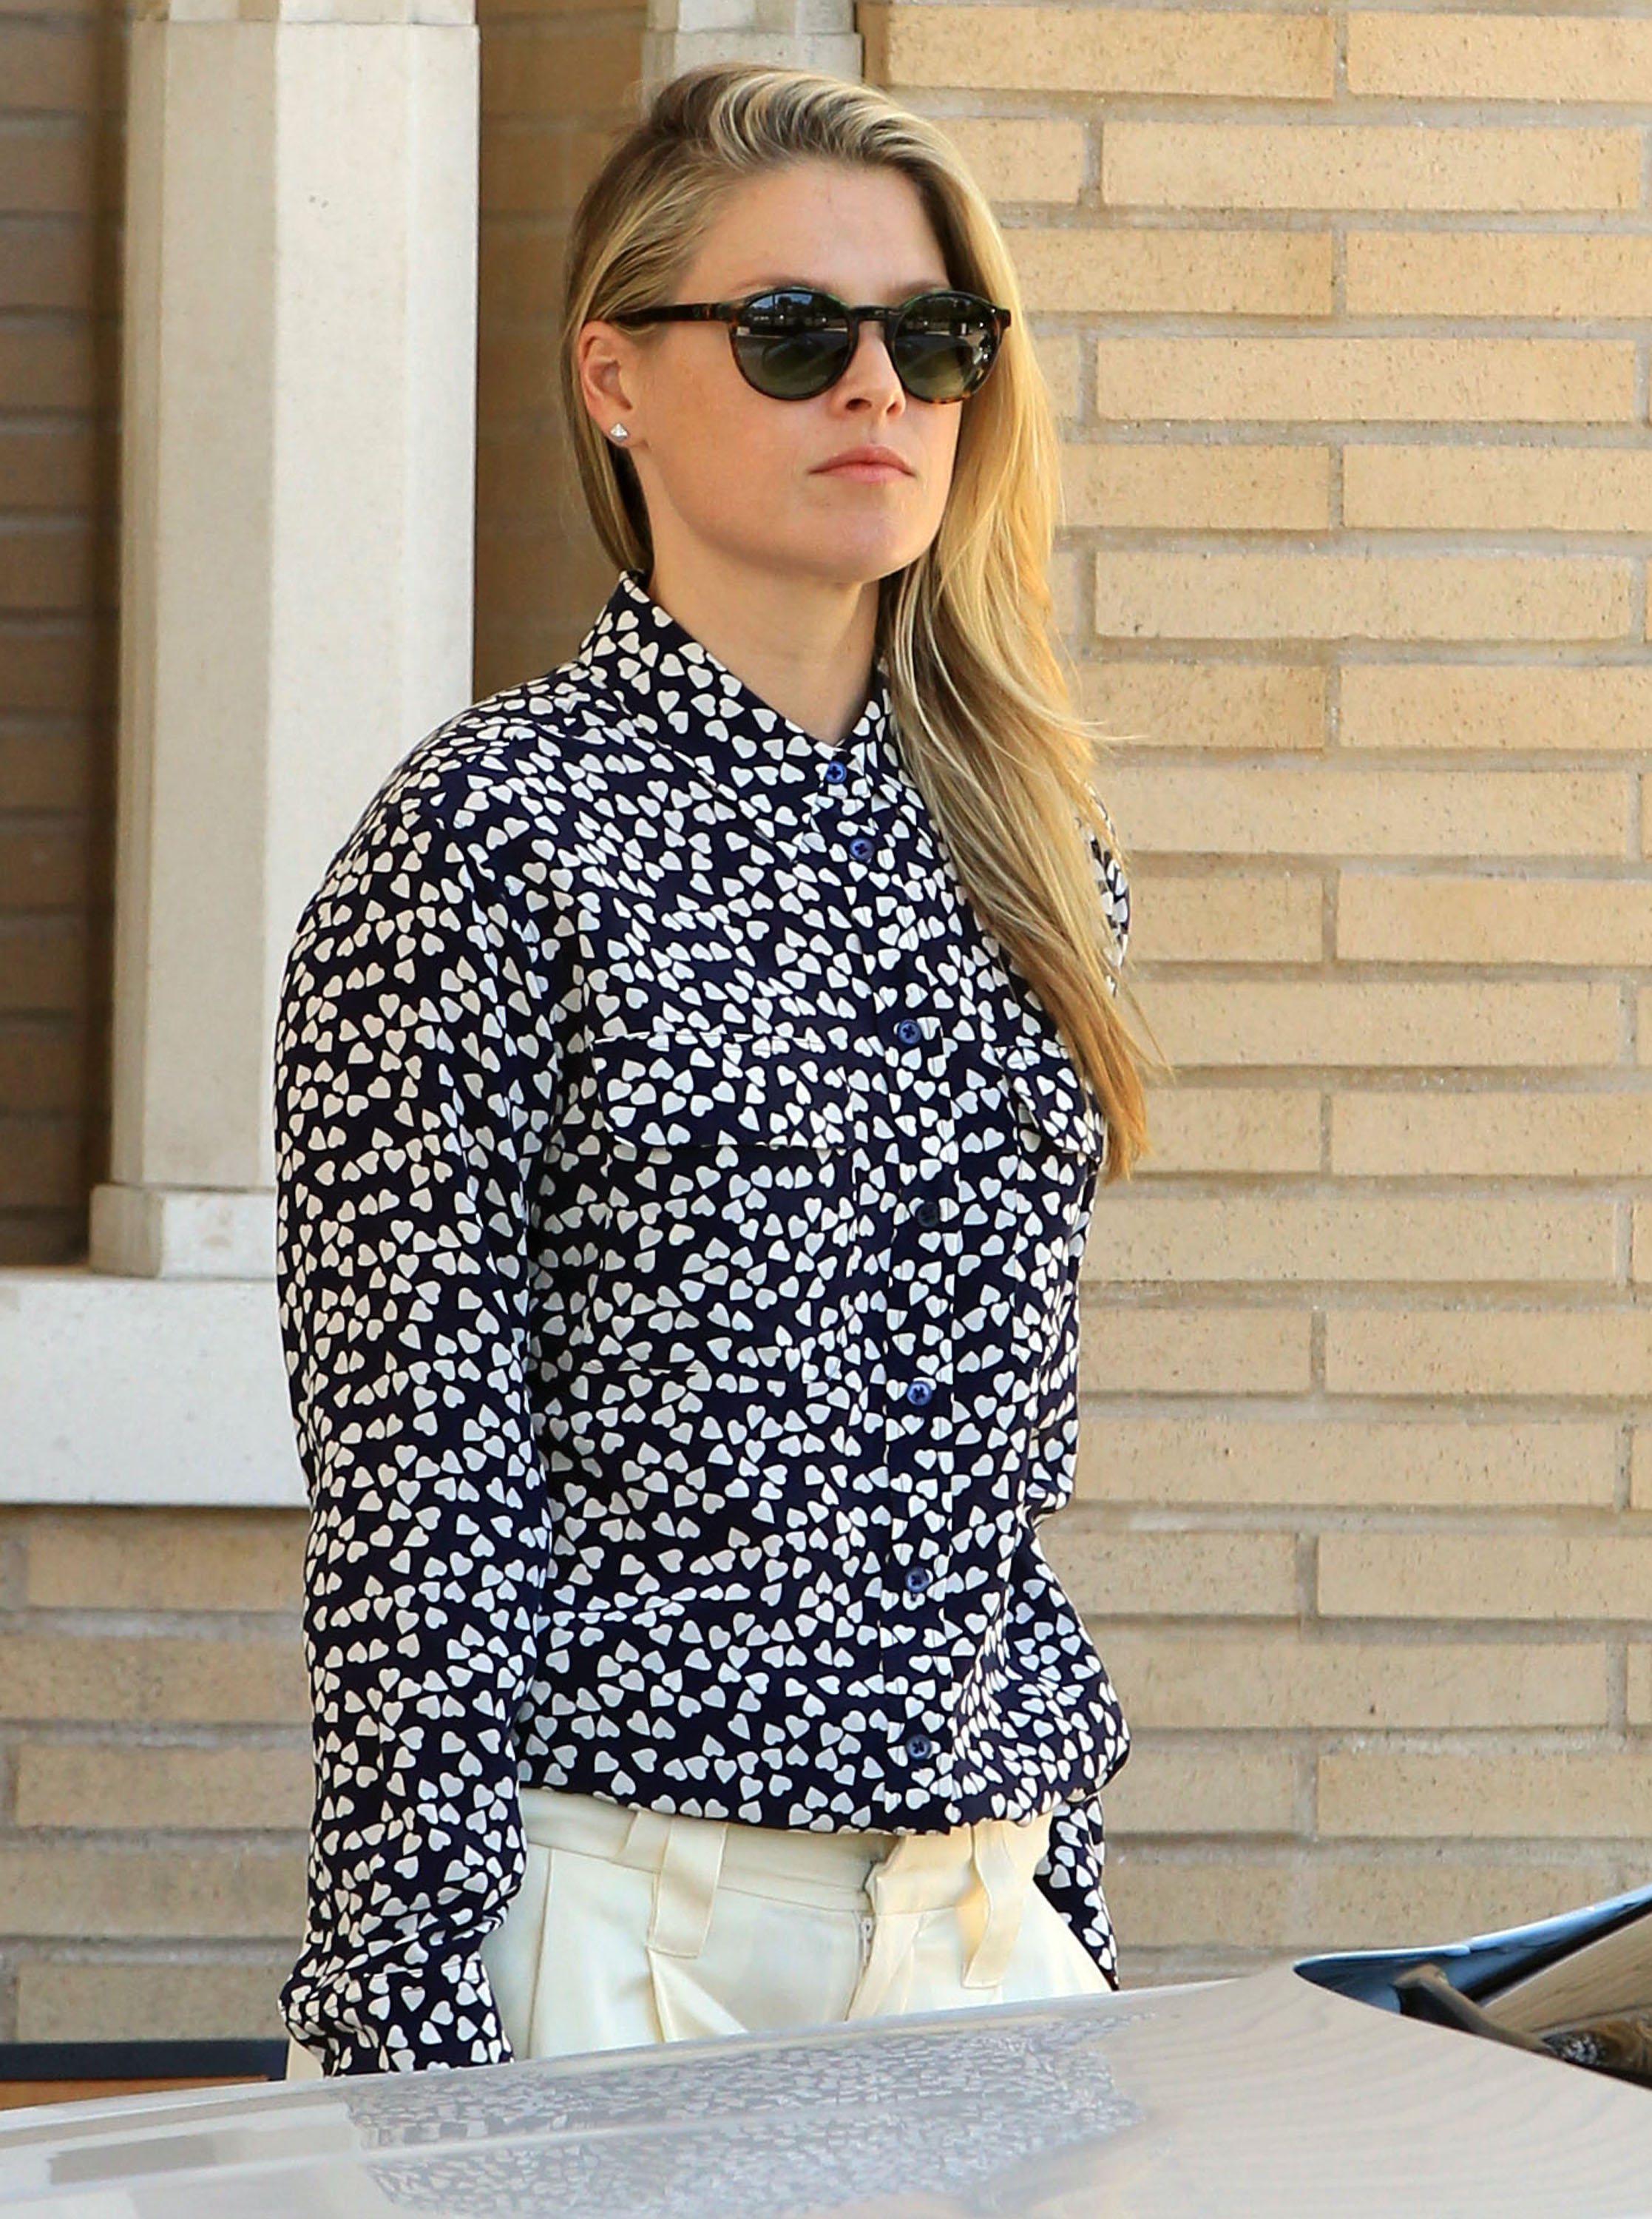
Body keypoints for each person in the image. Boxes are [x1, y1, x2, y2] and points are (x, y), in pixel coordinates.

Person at [274, 58, 1150, 2078]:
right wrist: (407, 2035)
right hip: (620, 1930)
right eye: (791, 333)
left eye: (934, 338)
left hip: (981, 1924)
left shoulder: (1031, 853)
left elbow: (1003, 1470)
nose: (878, 390)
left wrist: (1062, 1898)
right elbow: (418, 1503)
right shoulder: (484, 843)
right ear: (616, 377)